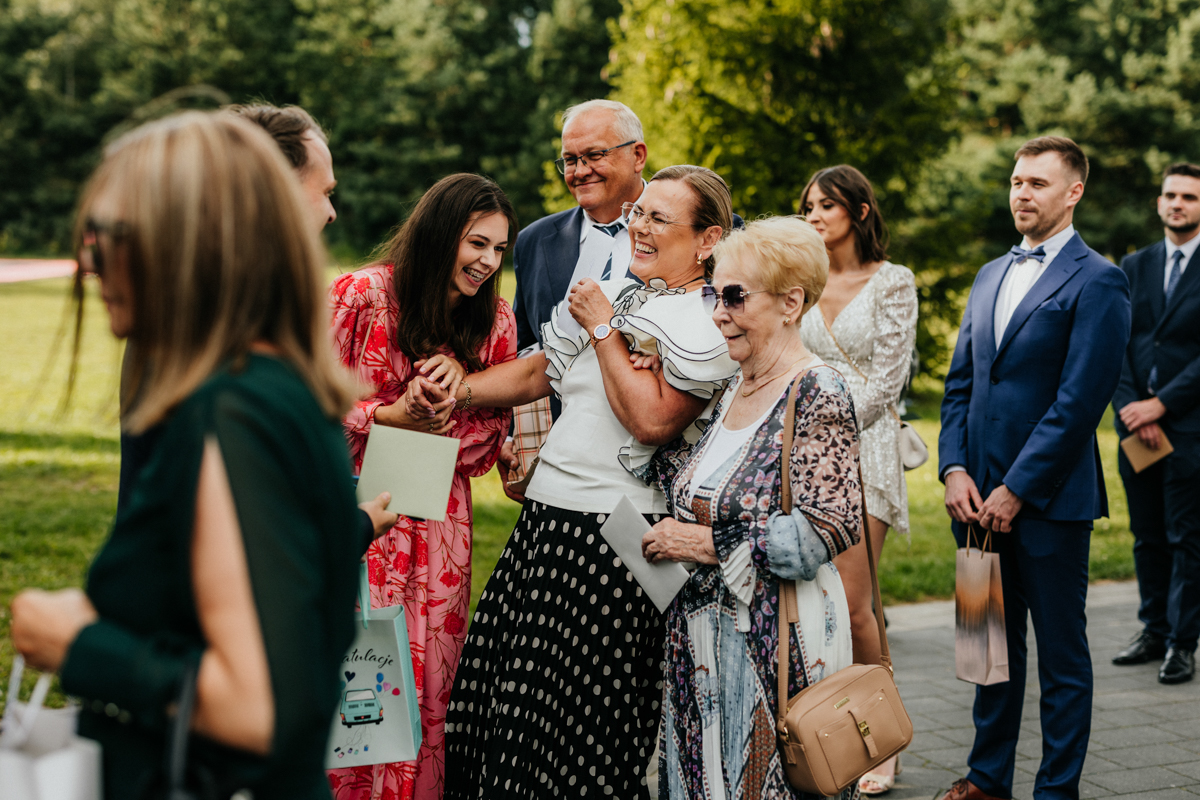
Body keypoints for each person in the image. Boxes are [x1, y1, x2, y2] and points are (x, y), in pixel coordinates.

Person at [10, 111, 371, 798]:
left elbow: (257, 707)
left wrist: (78, 646)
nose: (89, 261)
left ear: (191, 240)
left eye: (112, 234)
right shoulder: (270, 386)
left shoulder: (232, 411)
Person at [442, 165, 738, 799]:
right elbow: (538, 372)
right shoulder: (618, 290)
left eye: (660, 217)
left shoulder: (709, 322)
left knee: (577, 726)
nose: (640, 225)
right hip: (546, 522)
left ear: (709, 239)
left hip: (614, 541)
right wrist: (456, 393)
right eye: (640, 213)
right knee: (502, 709)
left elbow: (652, 418)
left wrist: (603, 328)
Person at [936, 136, 1131, 800]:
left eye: (1038, 183)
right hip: (973, 506)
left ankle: (1057, 790)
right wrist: (954, 469)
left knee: (1062, 659)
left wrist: (1017, 488)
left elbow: (1080, 403)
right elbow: (959, 384)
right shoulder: (989, 273)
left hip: (1049, 503)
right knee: (984, 650)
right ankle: (987, 779)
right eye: (1017, 180)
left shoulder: (1101, 280)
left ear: (1072, 192)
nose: (1022, 192)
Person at [641, 215, 859, 799]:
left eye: (734, 296)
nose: (717, 311)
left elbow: (821, 533)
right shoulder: (736, 387)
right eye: (714, 293)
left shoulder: (818, 391)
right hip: (700, 645)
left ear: (791, 302)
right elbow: (695, 485)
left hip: (774, 644)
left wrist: (700, 544)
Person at [113, 103, 396, 537]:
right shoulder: (231, 322)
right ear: (275, 189)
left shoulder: (194, 298)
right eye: (325, 191)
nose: (331, 212)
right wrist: (356, 526)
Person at [325, 173, 519, 800]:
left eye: (498, 249)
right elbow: (302, 400)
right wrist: (387, 417)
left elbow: (487, 445)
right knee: (353, 677)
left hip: (438, 530)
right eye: (476, 244)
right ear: (441, 235)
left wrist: (453, 398)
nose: (488, 262)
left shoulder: (495, 324)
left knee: (429, 687)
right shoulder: (361, 295)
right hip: (354, 510)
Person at [798, 165, 917, 794]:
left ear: (860, 212)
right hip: (805, 453)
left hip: (865, 448)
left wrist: (830, 423)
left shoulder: (893, 282)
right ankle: (826, 735)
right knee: (815, 607)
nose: (814, 216)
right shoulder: (805, 280)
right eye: (808, 206)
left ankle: (882, 738)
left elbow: (890, 378)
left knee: (854, 603)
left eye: (827, 206)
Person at [1111, 162, 1200, 685]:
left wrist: (1161, 405)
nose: (1177, 203)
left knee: (1185, 534)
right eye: (1170, 194)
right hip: (1134, 427)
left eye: (1188, 196)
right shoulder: (1134, 264)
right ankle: (1152, 629)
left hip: (1188, 425)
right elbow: (1117, 341)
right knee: (1146, 534)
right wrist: (1132, 409)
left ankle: (1182, 643)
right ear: (1159, 201)